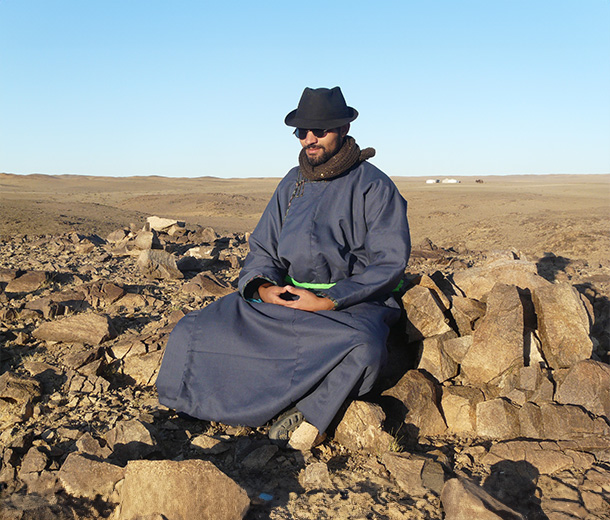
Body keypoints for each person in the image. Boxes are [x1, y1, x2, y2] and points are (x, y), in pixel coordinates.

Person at [156, 86, 411, 446]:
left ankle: (309, 414)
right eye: (301, 131)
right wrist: (263, 288)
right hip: (287, 298)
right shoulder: (292, 183)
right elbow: (264, 247)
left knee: (364, 348)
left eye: (320, 131)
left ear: (343, 129)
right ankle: (190, 399)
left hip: (349, 306)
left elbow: (389, 262)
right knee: (197, 328)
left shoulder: (375, 187)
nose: (310, 139)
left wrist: (330, 299)